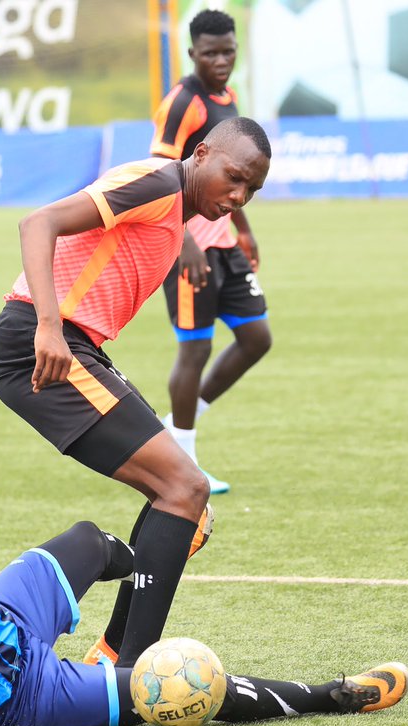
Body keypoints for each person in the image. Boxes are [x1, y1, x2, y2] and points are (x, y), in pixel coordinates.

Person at [0, 444, 408, 726]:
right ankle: (334, 696)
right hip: (19, 696)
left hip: (6, 616)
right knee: (179, 688)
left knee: (89, 542)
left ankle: (127, 622)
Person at [0, 114, 271, 669]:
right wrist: (48, 325)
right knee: (185, 487)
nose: (238, 196)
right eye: (234, 177)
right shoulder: (158, 182)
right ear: (202, 152)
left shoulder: (176, 212)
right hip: (42, 345)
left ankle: (114, 658)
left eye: (252, 190)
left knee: (185, 502)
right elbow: (38, 222)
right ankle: (128, 675)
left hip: (76, 347)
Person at [152, 9, 273, 496]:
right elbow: (158, 172)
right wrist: (182, 241)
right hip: (189, 245)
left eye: (228, 51)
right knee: (196, 348)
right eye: (210, 53)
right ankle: (183, 460)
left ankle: (177, 426)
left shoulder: (228, 97)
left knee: (256, 338)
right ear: (192, 53)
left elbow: (235, 175)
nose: (221, 61)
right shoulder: (182, 102)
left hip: (223, 241)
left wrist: (244, 230)